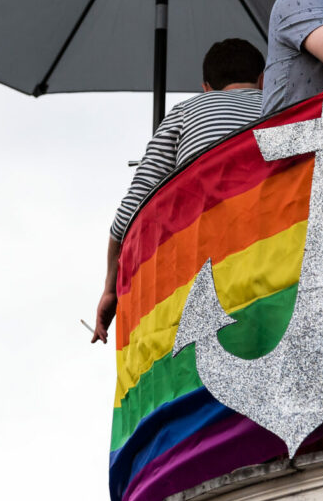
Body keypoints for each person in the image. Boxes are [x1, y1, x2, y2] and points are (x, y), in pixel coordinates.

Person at [91, 38, 265, 344]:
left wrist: (110, 289)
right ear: (262, 79)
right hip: (274, 248)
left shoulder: (185, 111)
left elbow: (129, 213)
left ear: (206, 87)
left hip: (204, 261)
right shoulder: (284, 104)